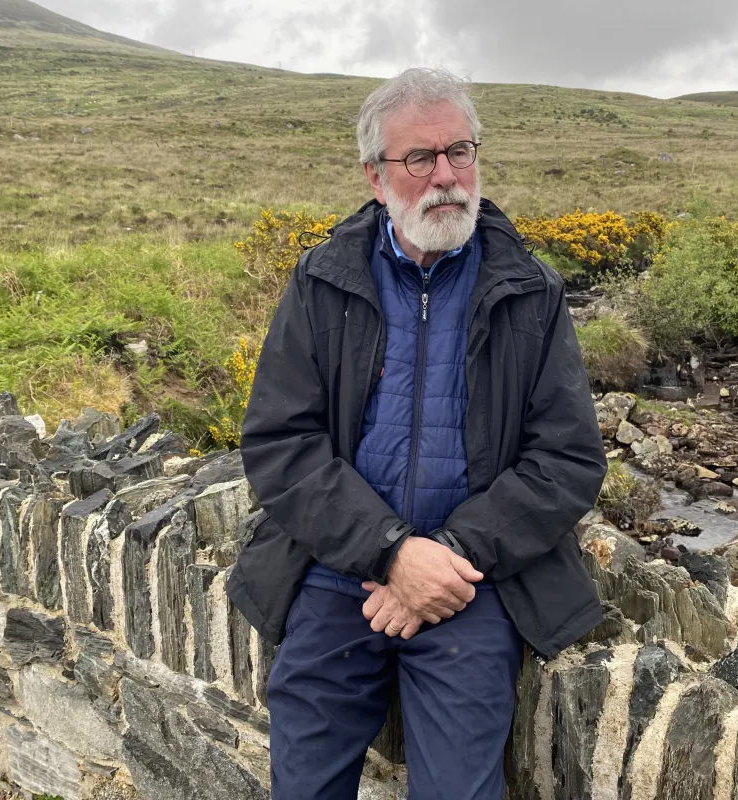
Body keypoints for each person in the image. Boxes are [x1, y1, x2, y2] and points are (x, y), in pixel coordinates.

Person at [227, 66, 606, 800]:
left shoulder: (529, 289)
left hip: (473, 582)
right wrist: (391, 551)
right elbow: (279, 441)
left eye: (459, 151)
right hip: (338, 570)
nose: (446, 176)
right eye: (420, 159)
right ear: (376, 176)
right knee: (302, 785)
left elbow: (566, 458)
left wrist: (450, 556)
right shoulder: (323, 279)